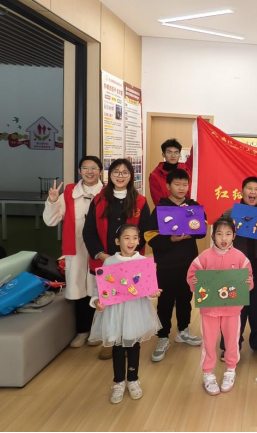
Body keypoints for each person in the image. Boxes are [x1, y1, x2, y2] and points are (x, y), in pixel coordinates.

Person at [83, 158, 150, 360]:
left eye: (125, 172)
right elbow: (89, 231)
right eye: (116, 172)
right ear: (109, 175)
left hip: (130, 262)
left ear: (131, 176)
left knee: (129, 302)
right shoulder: (99, 199)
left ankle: (129, 338)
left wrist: (131, 255)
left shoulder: (140, 201)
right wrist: (101, 255)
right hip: (105, 260)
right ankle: (110, 341)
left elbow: (145, 231)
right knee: (108, 303)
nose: (120, 176)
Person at [89, 224, 162, 404]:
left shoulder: (142, 261)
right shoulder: (109, 262)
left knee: (134, 345)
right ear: (117, 241)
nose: (131, 241)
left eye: (135, 238)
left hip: (135, 310)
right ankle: (119, 382)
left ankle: (133, 380)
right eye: (126, 237)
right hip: (115, 311)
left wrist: (153, 293)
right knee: (118, 346)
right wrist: (97, 301)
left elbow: (147, 288)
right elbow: (100, 287)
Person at [187, 217, 253, 396]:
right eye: (219, 234)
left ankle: (230, 370)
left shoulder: (240, 257)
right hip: (210, 310)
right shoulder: (204, 257)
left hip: (232, 310)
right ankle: (208, 373)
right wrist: (195, 282)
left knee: (232, 340)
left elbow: (248, 278)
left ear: (234, 236)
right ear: (213, 236)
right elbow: (192, 275)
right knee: (208, 342)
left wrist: (248, 282)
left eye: (228, 234)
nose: (224, 238)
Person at [43, 156, 103, 348]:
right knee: (78, 289)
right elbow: (51, 221)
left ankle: (98, 331)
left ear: (100, 171)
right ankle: (82, 330)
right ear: (79, 171)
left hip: (98, 248)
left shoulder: (106, 192)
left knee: (98, 288)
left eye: (94, 168)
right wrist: (53, 201)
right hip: (75, 248)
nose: (90, 172)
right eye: (85, 168)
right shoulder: (69, 192)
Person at [146, 169, 205, 363]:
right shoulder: (161, 209)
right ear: (168, 186)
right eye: (177, 184)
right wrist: (171, 239)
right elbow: (150, 237)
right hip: (166, 263)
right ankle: (163, 337)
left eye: (184, 184)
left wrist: (191, 222)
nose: (181, 188)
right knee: (165, 300)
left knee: (185, 298)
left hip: (188, 261)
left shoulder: (193, 206)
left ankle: (183, 330)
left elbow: (202, 231)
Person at [220, 177, 257, 359]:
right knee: (234, 309)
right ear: (242, 192)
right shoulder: (229, 214)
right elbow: (220, 239)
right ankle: (230, 345)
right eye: (249, 188)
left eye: (256, 189)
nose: (252, 192)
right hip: (235, 268)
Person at [149, 138, 190, 207]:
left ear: (180, 154)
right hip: (167, 211)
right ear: (163, 154)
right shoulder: (155, 175)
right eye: (169, 152)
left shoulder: (186, 170)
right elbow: (158, 201)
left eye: (176, 152)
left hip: (188, 208)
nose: (173, 156)